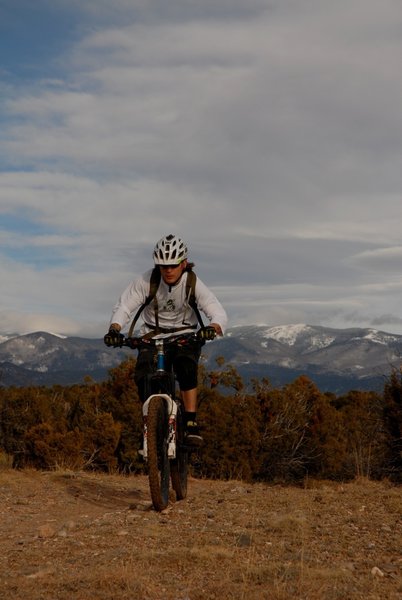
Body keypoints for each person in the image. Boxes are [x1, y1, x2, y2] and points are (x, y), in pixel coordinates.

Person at [104, 234, 227, 446]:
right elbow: (125, 306)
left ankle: (190, 422)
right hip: (153, 335)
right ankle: (150, 423)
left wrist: (213, 327)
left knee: (186, 366)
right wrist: (115, 328)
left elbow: (216, 311)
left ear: (184, 263)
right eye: (163, 266)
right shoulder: (146, 281)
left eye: (172, 265)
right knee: (143, 375)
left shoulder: (192, 282)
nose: (168, 270)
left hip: (185, 335)